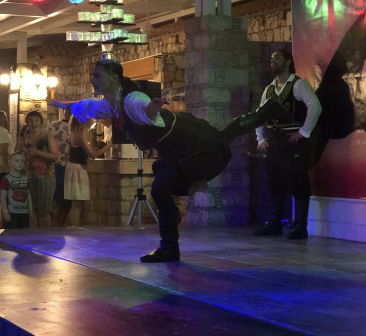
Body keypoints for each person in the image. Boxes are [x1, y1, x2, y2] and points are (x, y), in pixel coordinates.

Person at [52, 59, 293, 262]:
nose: (93, 79)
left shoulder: (131, 98)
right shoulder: (110, 103)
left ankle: (169, 246)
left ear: (114, 78)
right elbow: (87, 106)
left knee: (163, 185)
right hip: (174, 146)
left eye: (97, 75)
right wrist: (66, 105)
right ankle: (268, 110)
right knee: (222, 138)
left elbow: (142, 108)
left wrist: (152, 108)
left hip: (188, 140)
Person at [253, 49, 322, 240]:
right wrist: (261, 139)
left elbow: (315, 106)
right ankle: (275, 224)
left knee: (298, 183)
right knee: (274, 183)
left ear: (289, 61)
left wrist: (303, 132)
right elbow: (260, 116)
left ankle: (300, 226)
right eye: (271, 58)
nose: (273, 61)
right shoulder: (269, 89)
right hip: (275, 144)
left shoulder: (298, 85)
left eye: (278, 58)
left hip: (294, 144)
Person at [64, 116, 111, 226]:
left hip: (74, 168)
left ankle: (74, 227)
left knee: (76, 204)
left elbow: (83, 150)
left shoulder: (75, 132)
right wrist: (109, 146)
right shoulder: (81, 134)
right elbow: (94, 155)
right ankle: (75, 228)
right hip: (77, 169)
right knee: (77, 204)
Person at [15, 111, 58, 228]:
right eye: (30, 120)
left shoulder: (47, 137)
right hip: (27, 179)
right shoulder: (21, 140)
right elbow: (15, 159)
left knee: (44, 211)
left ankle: (45, 237)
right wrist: (24, 156)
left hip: (46, 179)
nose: (33, 123)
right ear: (27, 123)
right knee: (31, 211)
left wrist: (36, 153)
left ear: (41, 123)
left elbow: (55, 156)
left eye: (36, 120)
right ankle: (33, 236)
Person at [48, 108, 72, 226]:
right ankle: (59, 225)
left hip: (51, 164)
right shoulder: (71, 129)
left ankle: (53, 224)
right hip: (64, 165)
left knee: (53, 199)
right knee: (64, 200)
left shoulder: (53, 125)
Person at [0, 152, 30, 229]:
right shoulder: (6, 179)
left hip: (24, 213)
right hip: (12, 213)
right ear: (10, 163)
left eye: (22, 161)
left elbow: (29, 196)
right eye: (17, 160)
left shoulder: (26, 179)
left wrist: (31, 211)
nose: (20, 163)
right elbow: (3, 197)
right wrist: (5, 212)